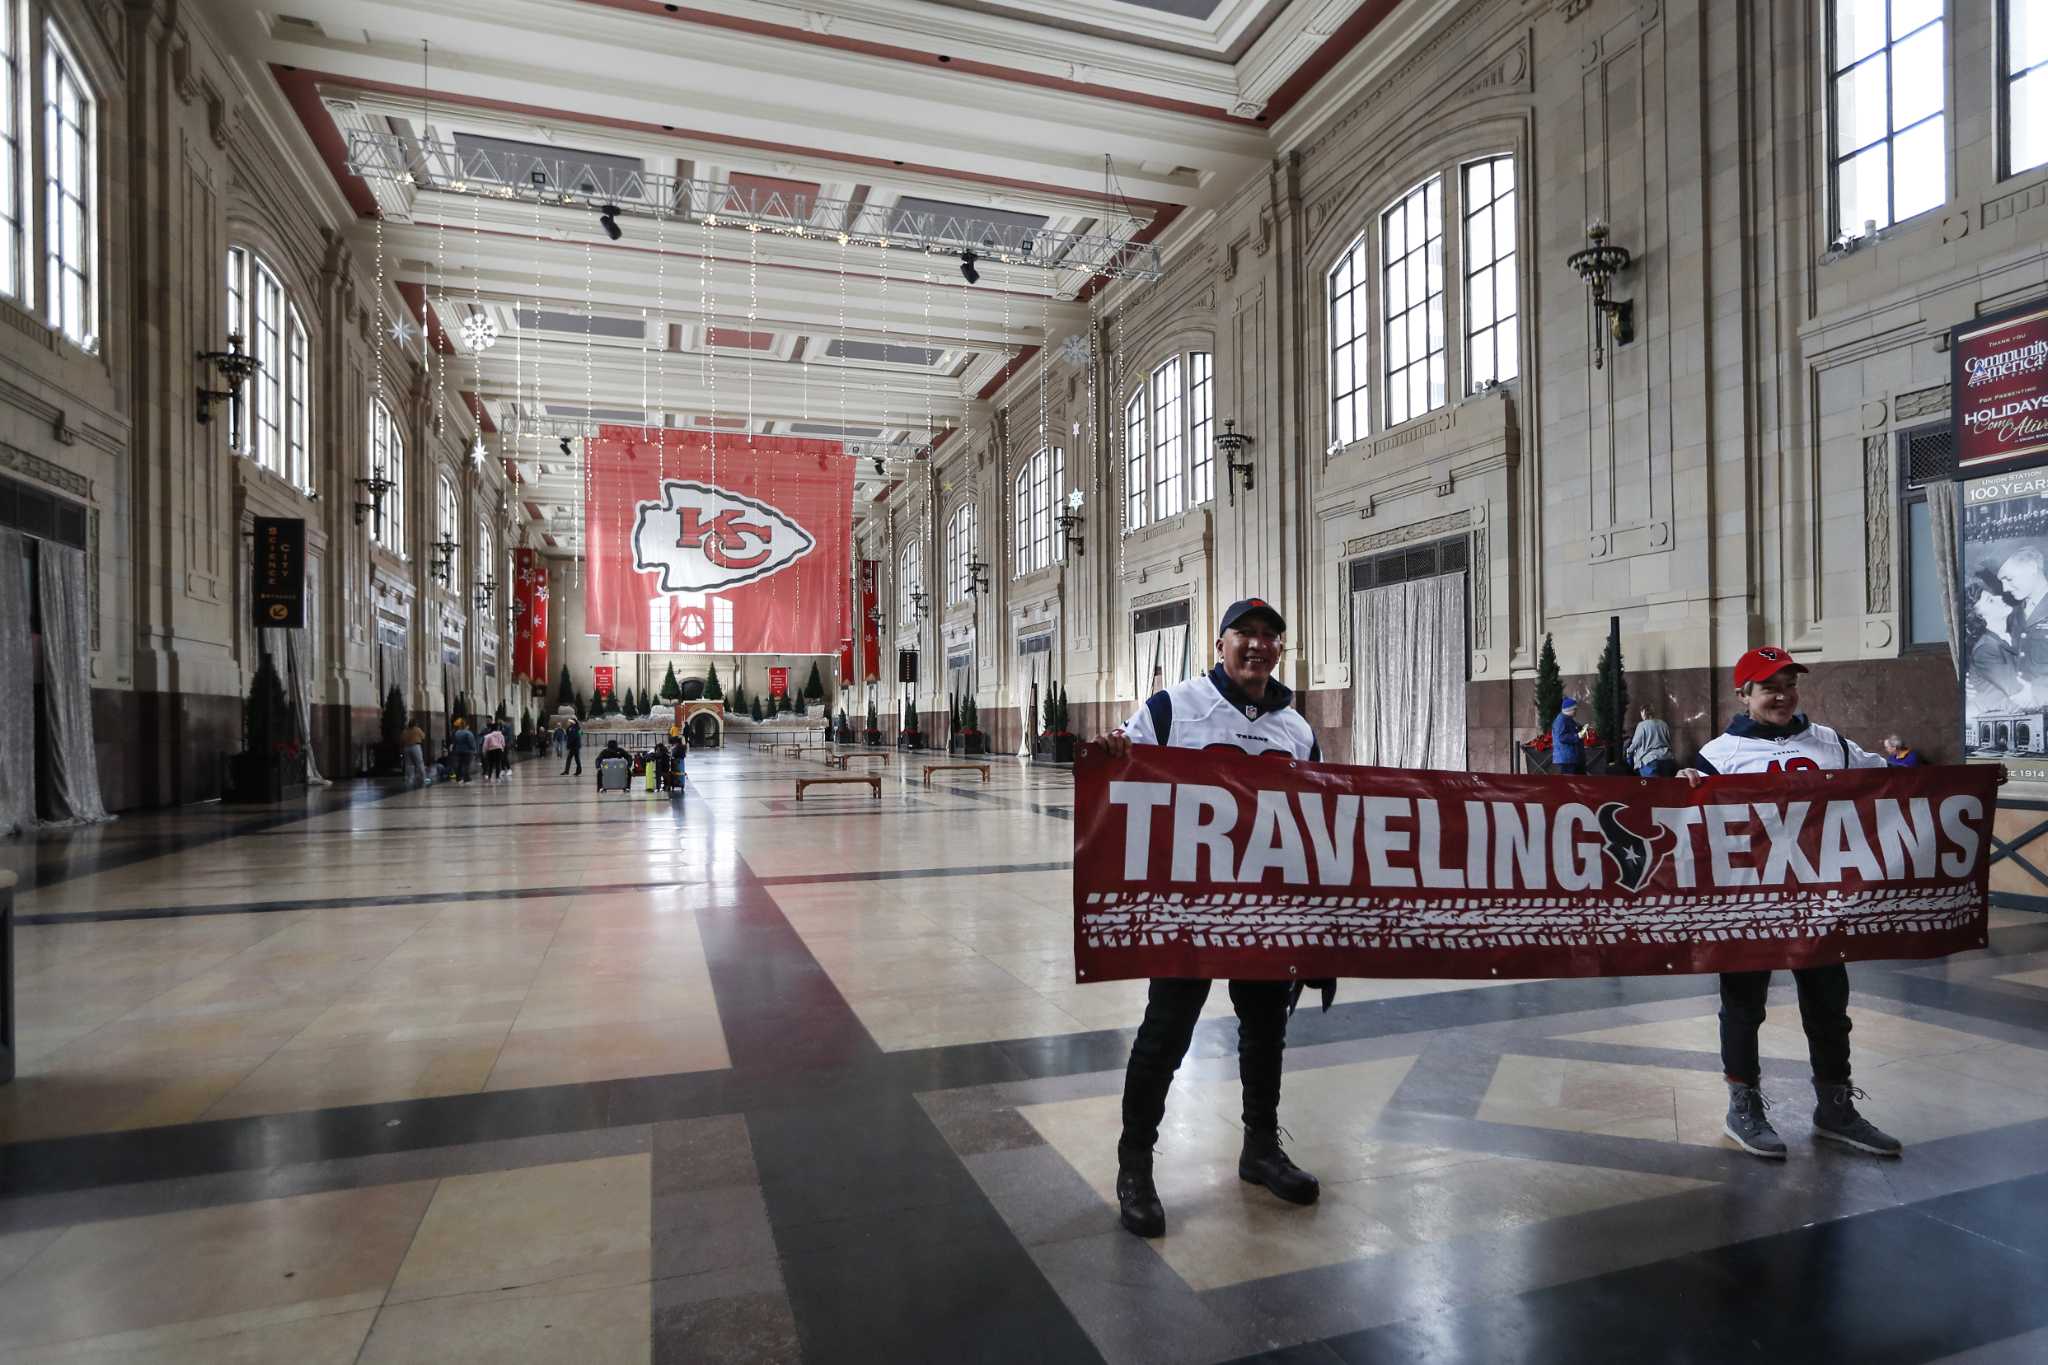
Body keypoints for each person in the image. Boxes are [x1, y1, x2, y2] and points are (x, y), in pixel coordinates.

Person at [1090, 597, 1324, 1240]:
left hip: (1266, 912)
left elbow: (1320, 826)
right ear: (1220, 644)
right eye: (1243, 634)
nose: (1257, 646)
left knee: (1264, 1029)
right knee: (1165, 1031)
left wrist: (1321, 932)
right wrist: (1111, 754)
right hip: (1187, 908)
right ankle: (1135, 1163)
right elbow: (1121, 772)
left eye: (1269, 637)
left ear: (1281, 649)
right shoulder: (1174, 707)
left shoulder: (1297, 728)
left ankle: (1260, 1147)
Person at [1676, 646, 1903, 1160]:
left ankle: (1835, 1107)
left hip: (1820, 902)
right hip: (1746, 902)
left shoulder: (1831, 744)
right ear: (1745, 695)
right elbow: (1688, 825)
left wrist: (1963, 784)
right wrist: (1682, 788)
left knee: (1828, 1006)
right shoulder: (1719, 755)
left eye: (1788, 684)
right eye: (1768, 687)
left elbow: (1891, 780)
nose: (1781, 696)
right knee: (1743, 1006)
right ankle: (1744, 1107)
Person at [1965, 571, 2026, 715]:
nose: (2000, 598)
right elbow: (2019, 692)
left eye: (1993, 596)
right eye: (1990, 600)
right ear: (1979, 616)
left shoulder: (2010, 637)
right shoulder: (1985, 648)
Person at [1625, 706, 1674, 777]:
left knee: (1651, 786)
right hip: (1667, 759)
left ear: (1643, 713)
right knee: (1666, 786)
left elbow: (1636, 742)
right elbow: (1669, 740)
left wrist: (1628, 752)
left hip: (1650, 761)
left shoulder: (1642, 725)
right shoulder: (1663, 724)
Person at [1551, 696, 1585, 774]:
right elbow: (1561, 737)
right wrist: (1577, 736)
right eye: (1575, 709)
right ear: (1569, 710)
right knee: (1569, 783)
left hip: (1570, 758)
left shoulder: (1567, 719)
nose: (1576, 712)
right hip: (1566, 759)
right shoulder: (1561, 720)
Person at [449, 717, 479, 784]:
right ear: (466, 726)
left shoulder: (457, 733)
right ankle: (466, 778)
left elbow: (455, 742)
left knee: (459, 764)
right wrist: (474, 750)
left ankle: (458, 778)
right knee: (466, 765)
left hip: (458, 751)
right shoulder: (468, 733)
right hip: (467, 751)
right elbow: (471, 743)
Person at [400, 716, 427, 788]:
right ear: (416, 724)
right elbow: (423, 736)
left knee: (408, 765)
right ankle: (422, 778)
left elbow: (402, 738)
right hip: (416, 747)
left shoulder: (405, 730)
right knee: (419, 763)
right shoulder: (417, 729)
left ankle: (409, 780)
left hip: (406, 748)